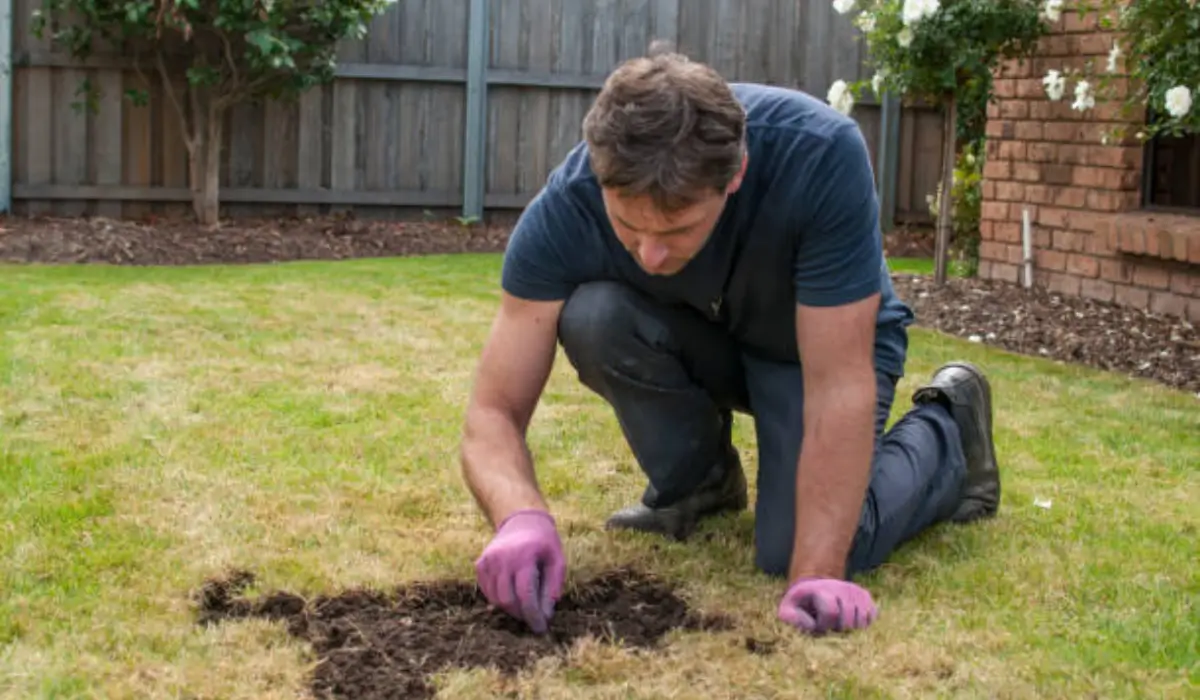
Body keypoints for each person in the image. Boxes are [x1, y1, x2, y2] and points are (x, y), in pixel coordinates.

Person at [459, 44, 1000, 637]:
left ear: (735, 173)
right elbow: (493, 412)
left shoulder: (820, 155)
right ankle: (700, 485)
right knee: (594, 315)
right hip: (708, 332)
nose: (651, 253)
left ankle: (951, 429)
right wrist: (519, 517)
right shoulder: (568, 206)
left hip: (811, 350)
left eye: (678, 228)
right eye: (629, 226)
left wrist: (815, 571)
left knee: (799, 548)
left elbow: (839, 384)